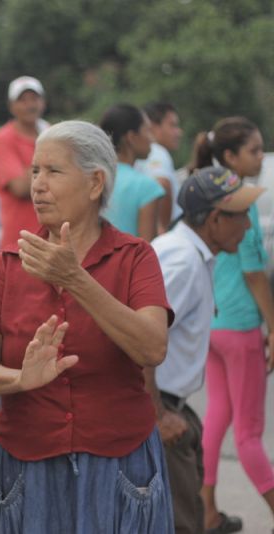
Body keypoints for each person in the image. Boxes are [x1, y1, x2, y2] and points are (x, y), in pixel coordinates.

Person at [0, 120, 175, 533]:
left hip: (120, 460)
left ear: (95, 183)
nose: (38, 184)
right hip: (26, 462)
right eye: (35, 171)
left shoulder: (136, 258)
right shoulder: (11, 262)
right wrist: (20, 379)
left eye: (53, 171)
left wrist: (77, 280)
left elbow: (152, 349)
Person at [148, 166, 262, 534]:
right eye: (241, 215)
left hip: (167, 403)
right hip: (154, 407)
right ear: (214, 219)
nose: (247, 226)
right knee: (180, 524)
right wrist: (158, 414)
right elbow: (136, 340)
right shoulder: (182, 261)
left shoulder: (187, 252)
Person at [190, 117, 274, 533]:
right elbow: (254, 273)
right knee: (250, 434)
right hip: (240, 328)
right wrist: (273, 327)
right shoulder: (240, 202)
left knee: (219, 418)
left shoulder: (208, 197)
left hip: (214, 325)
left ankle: (206, 513)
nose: (260, 156)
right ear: (229, 157)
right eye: (254, 150)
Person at [0, 75, 47, 250]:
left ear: (43, 102)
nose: (30, 105)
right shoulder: (4, 139)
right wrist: (49, 160)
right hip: (19, 241)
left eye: (34, 99)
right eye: (22, 100)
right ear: (11, 107)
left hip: (50, 238)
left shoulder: (49, 132)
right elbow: (20, 187)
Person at [99, 103, 165, 241]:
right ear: (131, 137)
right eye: (147, 131)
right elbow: (147, 249)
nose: (152, 139)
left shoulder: (93, 178)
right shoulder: (146, 187)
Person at [136, 102, 184, 232]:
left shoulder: (143, 155)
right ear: (153, 126)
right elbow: (162, 183)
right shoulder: (157, 151)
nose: (179, 132)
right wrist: (163, 228)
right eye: (172, 125)